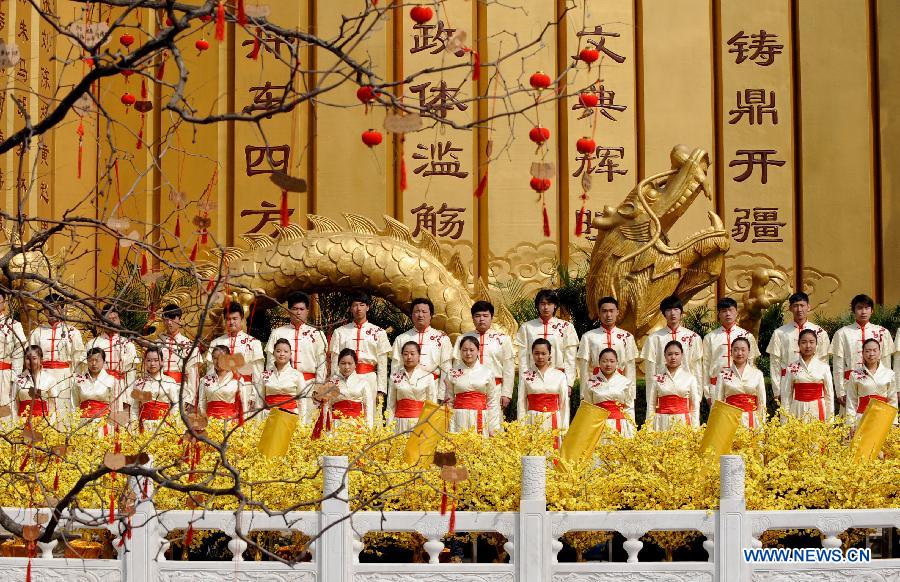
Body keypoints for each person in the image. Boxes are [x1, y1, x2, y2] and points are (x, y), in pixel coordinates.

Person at [328, 291, 391, 428]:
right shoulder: (340, 332)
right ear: (350, 308)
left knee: (371, 415)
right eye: (355, 305)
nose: (358, 308)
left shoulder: (379, 332)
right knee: (344, 413)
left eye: (362, 305)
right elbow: (334, 360)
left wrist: (381, 389)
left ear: (368, 307)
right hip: (345, 379)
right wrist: (334, 382)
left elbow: (382, 363)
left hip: (369, 377)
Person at [832, 294, 894, 413]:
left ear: (872, 310)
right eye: (859, 308)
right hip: (849, 385)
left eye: (867, 308)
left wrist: (886, 387)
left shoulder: (882, 332)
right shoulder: (842, 333)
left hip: (877, 386)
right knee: (850, 422)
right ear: (853, 310)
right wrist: (840, 391)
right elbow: (838, 364)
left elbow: (886, 362)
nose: (863, 311)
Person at [766, 292, 830, 401]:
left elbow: (824, 361)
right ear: (790, 308)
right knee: (787, 416)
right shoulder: (779, 333)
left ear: (808, 307)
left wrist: (824, 387)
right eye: (795, 306)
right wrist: (777, 391)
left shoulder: (820, 332)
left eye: (802, 305)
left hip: (812, 384)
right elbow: (774, 363)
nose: (799, 309)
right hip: (786, 382)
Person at [28, 293, 84, 419]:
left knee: (64, 409)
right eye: (49, 308)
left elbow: (77, 360)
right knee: (44, 409)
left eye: (57, 307)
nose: (53, 311)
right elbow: (30, 359)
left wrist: (75, 380)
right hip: (42, 375)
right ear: (45, 311)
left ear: (63, 309)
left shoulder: (73, 332)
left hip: (64, 376)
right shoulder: (36, 332)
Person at [577, 297, 637, 414]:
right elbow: (584, 368)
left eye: (611, 311)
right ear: (599, 313)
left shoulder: (627, 337)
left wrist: (631, 393)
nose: (608, 315)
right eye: (604, 311)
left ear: (617, 312)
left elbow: (630, 367)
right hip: (597, 385)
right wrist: (583, 394)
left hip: (619, 385)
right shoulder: (588, 337)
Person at [452, 301, 515, 413]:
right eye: (477, 316)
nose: (481, 319)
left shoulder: (503, 339)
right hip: (468, 390)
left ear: (491, 318)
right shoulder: (462, 339)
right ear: (472, 318)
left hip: (495, 389)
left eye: (485, 316)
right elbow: (457, 367)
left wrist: (507, 394)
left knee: (493, 424)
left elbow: (509, 368)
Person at [515, 289, 578, 390]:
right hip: (533, 379)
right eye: (542, 303)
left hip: (558, 378)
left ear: (555, 305)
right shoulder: (526, 327)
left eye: (549, 303)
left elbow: (570, 357)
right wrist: (524, 381)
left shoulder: (566, 327)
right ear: (537, 305)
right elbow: (523, 358)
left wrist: (569, 383)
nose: (546, 307)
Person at [701, 298, 760, 405]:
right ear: (718, 314)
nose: (727, 314)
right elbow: (706, 366)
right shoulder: (710, 338)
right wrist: (707, 393)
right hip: (716, 387)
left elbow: (752, 364)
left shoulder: (747, 336)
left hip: (741, 389)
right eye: (723, 311)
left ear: (736, 312)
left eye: (730, 310)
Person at [265, 292, 327, 385]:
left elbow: (321, 363)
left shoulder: (317, 334)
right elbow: (270, 362)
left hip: (309, 384)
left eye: (302, 309)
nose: (298, 312)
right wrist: (271, 383)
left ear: (307, 311)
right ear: (288, 310)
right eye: (295, 309)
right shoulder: (277, 333)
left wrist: (319, 386)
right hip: (283, 384)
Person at [207, 302, 264, 403]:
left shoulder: (254, 343)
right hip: (221, 393)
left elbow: (258, 374)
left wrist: (254, 396)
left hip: (246, 391)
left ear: (242, 319)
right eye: (228, 319)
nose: (231, 322)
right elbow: (210, 372)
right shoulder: (216, 343)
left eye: (235, 318)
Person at [640, 295, 703, 387]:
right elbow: (650, 371)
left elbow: (697, 369)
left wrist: (697, 396)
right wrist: (651, 398)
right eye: (668, 310)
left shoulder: (693, 337)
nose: (673, 313)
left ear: (681, 312)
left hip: (686, 387)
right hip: (662, 388)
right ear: (664, 313)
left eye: (676, 309)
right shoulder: (654, 338)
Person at [391, 298, 452, 385]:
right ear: (411, 314)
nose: (420, 315)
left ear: (431, 315)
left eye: (424, 312)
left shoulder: (442, 339)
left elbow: (446, 369)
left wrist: (443, 395)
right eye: (417, 311)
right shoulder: (401, 338)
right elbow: (395, 368)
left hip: (432, 387)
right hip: (407, 388)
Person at [517, 339, 569, 439]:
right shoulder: (525, 376)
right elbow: (521, 404)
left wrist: (564, 428)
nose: (540, 357)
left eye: (543, 353)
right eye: (536, 353)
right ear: (532, 354)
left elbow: (564, 404)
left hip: (553, 420)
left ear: (549, 354)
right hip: (532, 420)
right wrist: (521, 428)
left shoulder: (560, 375)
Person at [84, 303, 138, 399]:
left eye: (114, 319)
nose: (111, 322)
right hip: (98, 388)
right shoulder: (92, 344)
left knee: (119, 413)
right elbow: (85, 370)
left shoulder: (128, 344)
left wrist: (129, 396)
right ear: (102, 321)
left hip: (120, 387)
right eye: (108, 319)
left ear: (119, 320)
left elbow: (131, 374)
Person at [447, 336, 498, 436]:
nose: (468, 353)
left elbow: (492, 401)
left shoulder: (487, 372)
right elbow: (449, 401)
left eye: (472, 350)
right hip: (459, 417)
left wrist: (493, 426)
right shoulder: (452, 373)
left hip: (480, 416)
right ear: (460, 351)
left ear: (478, 351)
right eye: (464, 350)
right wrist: (448, 424)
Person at [312, 348, 370, 435]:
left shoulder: (363, 382)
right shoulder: (331, 382)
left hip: (357, 425)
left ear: (355, 365)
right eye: (343, 363)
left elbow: (369, 409)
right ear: (338, 364)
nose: (346, 367)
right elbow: (326, 407)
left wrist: (368, 429)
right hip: (336, 425)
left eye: (350, 363)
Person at [781, 329, 835, 422]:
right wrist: (784, 421)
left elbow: (829, 395)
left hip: (818, 409)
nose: (808, 346)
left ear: (816, 344)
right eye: (804, 342)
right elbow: (786, 396)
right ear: (798, 344)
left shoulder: (824, 367)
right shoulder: (791, 368)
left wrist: (830, 420)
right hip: (798, 408)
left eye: (811, 342)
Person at [385, 341, 438, 434]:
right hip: (399, 422)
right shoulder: (395, 377)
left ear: (419, 356)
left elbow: (432, 404)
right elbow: (391, 404)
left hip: (420, 423)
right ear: (401, 356)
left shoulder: (428, 376)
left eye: (412, 354)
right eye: (405, 354)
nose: (409, 357)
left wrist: (429, 427)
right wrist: (389, 428)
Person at [581, 348, 635, 437]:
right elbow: (588, 408)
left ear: (617, 362)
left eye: (612, 361)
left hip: (620, 424)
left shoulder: (625, 382)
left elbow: (629, 407)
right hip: (598, 426)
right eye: (604, 361)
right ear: (599, 363)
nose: (608, 364)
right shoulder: (590, 383)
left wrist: (631, 429)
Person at [646, 341, 700, 430]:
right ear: (665, 355)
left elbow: (694, 406)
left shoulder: (690, 378)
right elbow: (651, 405)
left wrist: (695, 428)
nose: (673, 357)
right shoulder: (656, 379)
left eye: (676, 354)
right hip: (661, 421)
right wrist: (649, 428)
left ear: (682, 355)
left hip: (683, 422)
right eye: (670, 354)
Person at [714, 338, 766, 429]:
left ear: (749, 351)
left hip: (752, 419)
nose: (739, 353)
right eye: (736, 349)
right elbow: (718, 403)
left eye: (743, 349)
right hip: (730, 419)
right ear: (731, 352)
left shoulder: (757, 374)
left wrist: (761, 423)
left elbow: (761, 402)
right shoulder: (723, 375)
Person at [845, 339, 897, 427]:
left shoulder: (889, 374)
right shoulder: (855, 374)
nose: (871, 354)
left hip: (883, 418)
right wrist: (851, 424)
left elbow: (893, 400)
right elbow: (851, 400)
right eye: (867, 351)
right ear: (863, 353)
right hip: (862, 418)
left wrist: (894, 423)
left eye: (874, 350)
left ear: (879, 352)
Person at [157, 303, 201, 404]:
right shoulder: (157, 343)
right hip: (160, 390)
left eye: (172, 318)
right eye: (166, 319)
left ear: (180, 320)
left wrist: (191, 401)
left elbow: (193, 376)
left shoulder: (189, 345)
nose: (169, 322)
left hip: (180, 391)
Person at [261, 338, 313, 422]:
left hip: (290, 416)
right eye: (278, 351)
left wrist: (302, 424)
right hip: (269, 416)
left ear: (290, 354)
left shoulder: (297, 375)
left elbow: (302, 402)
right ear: (273, 353)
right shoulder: (264, 375)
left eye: (285, 351)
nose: (282, 354)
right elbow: (259, 401)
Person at [199, 345, 254, 424]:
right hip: (210, 423)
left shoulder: (237, 380)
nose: (218, 362)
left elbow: (244, 405)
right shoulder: (205, 380)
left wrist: (242, 425)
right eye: (215, 358)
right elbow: (202, 404)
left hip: (230, 423)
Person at [131, 346, 181, 428]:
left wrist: (173, 427)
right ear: (144, 362)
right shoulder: (138, 383)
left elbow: (175, 407)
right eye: (149, 360)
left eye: (156, 360)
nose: (152, 364)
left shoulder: (169, 382)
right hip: (144, 425)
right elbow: (134, 408)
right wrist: (134, 428)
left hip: (164, 426)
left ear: (161, 362)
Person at [15, 345, 66, 421]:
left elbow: (54, 406)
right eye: (27, 358)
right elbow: (15, 405)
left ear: (41, 359)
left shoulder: (50, 379)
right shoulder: (18, 379)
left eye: (34, 358)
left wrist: (50, 426)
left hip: (43, 423)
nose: (31, 361)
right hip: (22, 422)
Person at [73, 347, 122, 421]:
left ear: (104, 361)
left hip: (104, 422)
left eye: (97, 360)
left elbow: (117, 406)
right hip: (82, 422)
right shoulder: (78, 380)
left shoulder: (111, 380)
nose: (94, 364)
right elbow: (74, 405)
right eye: (90, 360)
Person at [0, 289, 26, 420]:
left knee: (5, 408)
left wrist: (14, 375)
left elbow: (19, 350)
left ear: (4, 302)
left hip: (4, 374)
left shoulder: (14, 325)